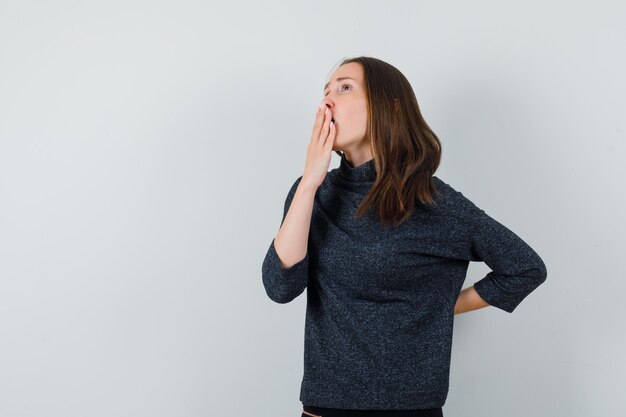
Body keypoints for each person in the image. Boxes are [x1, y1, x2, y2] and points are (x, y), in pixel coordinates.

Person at [261, 56, 548, 417]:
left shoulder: (435, 203)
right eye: (326, 91)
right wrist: (309, 182)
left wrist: (442, 306)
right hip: (324, 407)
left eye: (344, 87)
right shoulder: (313, 194)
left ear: (387, 105)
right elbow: (280, 287)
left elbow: (524, 269)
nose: (328, 101)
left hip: (412, 409)